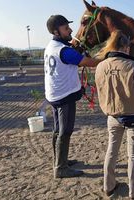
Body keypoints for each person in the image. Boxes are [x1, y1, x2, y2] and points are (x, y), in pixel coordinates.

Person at [95, 30, 134, 200]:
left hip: (112, 116)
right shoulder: (132, 66)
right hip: (133, 116)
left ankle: (109, 186)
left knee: (111, 151)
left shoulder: (101, 65)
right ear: (125, 47)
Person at [44, 14, 101, 178]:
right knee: (65, 130)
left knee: (57, 129)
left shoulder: (52, 46)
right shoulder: (64, 51)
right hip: (64, 96)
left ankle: (59, 160)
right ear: (56, 31)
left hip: (54, 95)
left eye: (68, 27)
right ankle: (61, 168)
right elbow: (88, 62)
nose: (69, 30)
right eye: (65, 28)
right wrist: (105, 58)